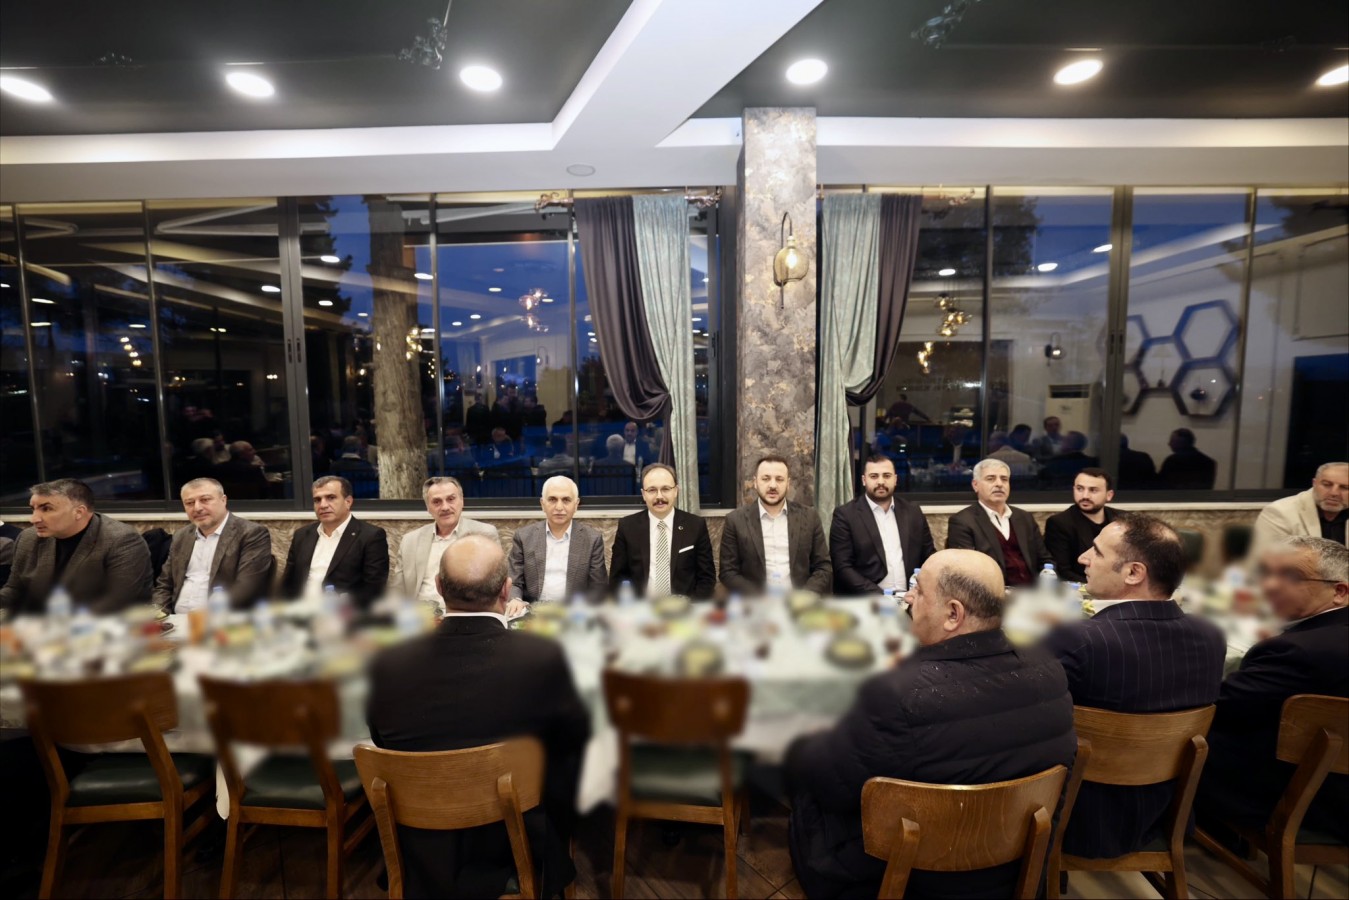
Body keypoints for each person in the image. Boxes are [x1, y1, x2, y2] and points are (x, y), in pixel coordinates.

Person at [786, 550, 1075, 899]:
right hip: (1016, 873)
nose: (909, 597)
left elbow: (830, 786)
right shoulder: (1048, 670)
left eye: (919, 590)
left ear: (953, 614)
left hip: (909, 879)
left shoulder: (897, 693)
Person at [366, 534, 590, 897]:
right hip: (517, 843)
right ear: (506, 590)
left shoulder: (388, 663)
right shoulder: (543, 657)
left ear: (439, 588)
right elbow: (574, 742)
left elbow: (380, 739)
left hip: (421, 850)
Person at [1043, 513, 1225, 859]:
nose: (1083, 558)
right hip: (1168, 812)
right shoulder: (1211, 635)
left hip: (1080, 819)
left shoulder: (1079, 640)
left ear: (1133, 573)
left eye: (1097, 551)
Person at [1197, 536, 1348, 844]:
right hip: (1330, 786)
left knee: (1177, 738)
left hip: (1306, 800)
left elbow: (1218, 706)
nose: (1269, 585)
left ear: (1339, 591)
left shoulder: (1298, 650)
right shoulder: (1317, 640)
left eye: (1291, 576)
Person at [1, 479, 153, 615]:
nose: (34, 519)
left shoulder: (121, 540)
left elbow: (116, 602)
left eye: (46, 509)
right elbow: (15, 590)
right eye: (33, 509)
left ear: (79, 512)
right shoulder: (28, 538)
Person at [151, 478, 274, 614]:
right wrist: (159, 614)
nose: (197, 508)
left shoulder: (250, 533)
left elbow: (246, 587)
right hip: (174, 620)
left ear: (223, 500)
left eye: (205, 500)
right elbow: (164, 584)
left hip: (221, 619)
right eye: (190, 503)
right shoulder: (181, 536)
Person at [719, 455, 831, 596]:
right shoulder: (735, 520)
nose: (773, 485)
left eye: (779, 479)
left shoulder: (809, 517)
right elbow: (728, 572)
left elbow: (823, 566)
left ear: (788, 483)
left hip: (800, 602)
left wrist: (806, 596)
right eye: (766, 479)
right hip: (756, 602)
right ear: (755, 482)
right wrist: (759, 597)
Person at [279, 476, 389, 610]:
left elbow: (374, 589)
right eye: (317, 500)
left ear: (348, 502)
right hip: (300, 612)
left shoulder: (370, 536)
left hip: (345, 614)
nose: (323, 505)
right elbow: (288, 583)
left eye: (331, 498)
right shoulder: (302, 535)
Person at [830, 454, 934, 596]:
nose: (881, 482)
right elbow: (842, 567)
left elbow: (929, 557)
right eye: (874, 476)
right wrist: (882, 596)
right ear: (864, 480)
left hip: (911, 597)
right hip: (867, 600)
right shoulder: (845, 515)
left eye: (886, 476)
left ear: (895, 479)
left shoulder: (913, 512)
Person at [609, 463, 716, 599]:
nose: (659, 496)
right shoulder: (628, 527)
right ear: (643, 494)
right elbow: (617, 578)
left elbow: (707, 578)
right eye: (652, 490)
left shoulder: (695, 526)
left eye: (665, 489)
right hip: (640, 606)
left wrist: (690, 604)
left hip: (683, 607)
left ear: (676, 491)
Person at [397, 477, 500, 611]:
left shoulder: (484, 534)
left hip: (467, 614)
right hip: (419, 615)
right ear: (428, 507)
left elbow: (497, 583)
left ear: (462, 501)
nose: (445, 507)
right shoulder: (410, 541)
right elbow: (396, 590)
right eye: (437, 502)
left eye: (451, 499)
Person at [946, 458, 1052, 587]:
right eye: (991, 479)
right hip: (992, 593)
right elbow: (965, 572)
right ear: (975, 485)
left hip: (1033, 591)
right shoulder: (962, 521)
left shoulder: (1024, 518)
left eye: (1004, 479)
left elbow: (1044, 559)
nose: (999, 484)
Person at [508, 475, 607, 607]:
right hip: (532, 609)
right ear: (542, 504)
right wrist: (515, 599)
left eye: (566, 500)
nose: (559, 507)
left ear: (576, 504)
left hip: (575, 611)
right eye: (552, 499)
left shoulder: (592, 539)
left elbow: (598, 587)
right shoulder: (524, 537)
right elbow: (514, 582)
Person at [1251, 462, 1348, 561]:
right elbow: (1268, 559)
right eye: (1327, 485)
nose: (1334, 493)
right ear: (1314, 483)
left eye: (1344, 487)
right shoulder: (1279, 512)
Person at [1043, 468, 1120, 583]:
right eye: (1080, 489)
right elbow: (1062, 572)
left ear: (1109, 495)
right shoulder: (1060, 523)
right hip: (1081, 587)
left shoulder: (1122, 520)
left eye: (1093, 490)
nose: (1085, 495)